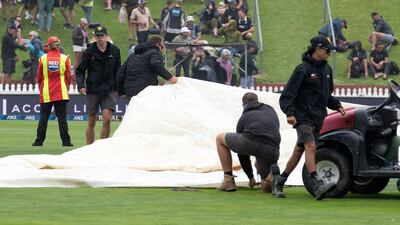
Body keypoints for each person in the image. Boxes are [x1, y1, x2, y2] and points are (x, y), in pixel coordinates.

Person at [275, 35, 345, 200]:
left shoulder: (327, 71)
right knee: (311, 146)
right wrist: (290, 113)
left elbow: (326, 95)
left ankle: (280, 180)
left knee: (300, 149)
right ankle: (316, 182)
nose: (329, 53)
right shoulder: (302, 70)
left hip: (318, 118)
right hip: (302, 117)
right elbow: (287, 95)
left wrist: (336, 105)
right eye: (327, 50)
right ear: (318, 49)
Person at [215, 92, 281, 194]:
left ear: (243, 105)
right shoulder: (270, 110)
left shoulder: (244, 118)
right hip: (272, 148)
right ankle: (271, 176)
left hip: (251, 141)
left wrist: (250, 177)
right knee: (265, 187)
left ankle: (228, 179)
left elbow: (242, 155)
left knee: (219, 139)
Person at [75, 26, 121, 145]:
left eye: (102, 35)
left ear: (106, 36)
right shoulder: (89, 52)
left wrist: (118, 87)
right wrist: (80, 85)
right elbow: (80, 70)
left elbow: (118, 71)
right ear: (94, 37)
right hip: (93, 90)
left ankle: (101, 148)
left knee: (107, 119)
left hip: (108, 90)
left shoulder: (115, 51)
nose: (100, 38)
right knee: (92, 121)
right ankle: (89, 147)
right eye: (98, 36)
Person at [32, 36, 73, 147]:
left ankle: (39, 141)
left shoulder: (43, 59)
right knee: (62, 118)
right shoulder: (65, 58)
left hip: (46, 92)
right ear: (59, 45)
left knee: (44, 118)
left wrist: (41, 86)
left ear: (49, 46)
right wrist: (66, 86)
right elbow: (68, 76)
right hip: (61, 92)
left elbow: (39, 76)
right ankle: (66, 142)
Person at [116, 35, 177, 101]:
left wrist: (121, 92)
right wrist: (170, 78)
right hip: (145, 91)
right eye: (163, 46)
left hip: (130, 91)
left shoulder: (133, 56)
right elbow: (156, 65)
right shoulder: (155, 53)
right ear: (159, 44)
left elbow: (120, 73)